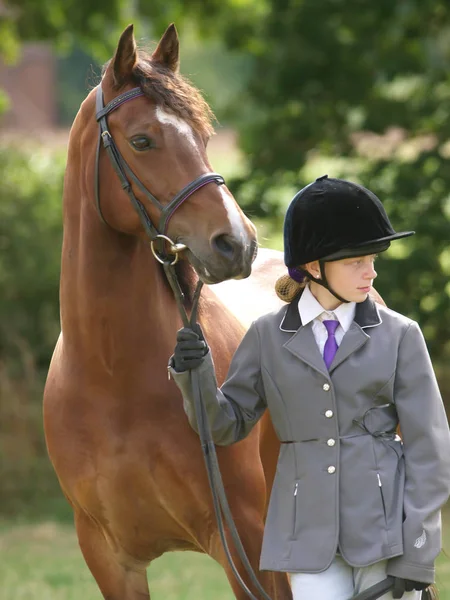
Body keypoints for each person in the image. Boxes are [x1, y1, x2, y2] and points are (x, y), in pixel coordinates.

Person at [168, 175, 450, 600]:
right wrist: (196, 374)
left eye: (372, 259)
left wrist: (419, 552)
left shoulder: (400, 335)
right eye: (356, 261)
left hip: (385, 531)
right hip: (305, 537)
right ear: (314, 267)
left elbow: (430, 449)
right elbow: (226, 426)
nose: (371, 272)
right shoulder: (266, 336)